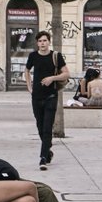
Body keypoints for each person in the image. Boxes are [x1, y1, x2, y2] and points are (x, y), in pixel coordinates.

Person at [25, 31, 69, 170]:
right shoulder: (33, 56)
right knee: (39, 125)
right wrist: (29, 86)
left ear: (49, 42)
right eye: (40, 41)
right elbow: (27, 70)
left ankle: (43, 158)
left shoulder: (56, 56)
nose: (42, 43)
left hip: (51, 96)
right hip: (36, 96)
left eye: (45, 40)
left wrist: (52, 78)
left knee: (47, 128)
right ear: (37, 43)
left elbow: (66, 73)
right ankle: (48, 150)